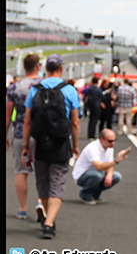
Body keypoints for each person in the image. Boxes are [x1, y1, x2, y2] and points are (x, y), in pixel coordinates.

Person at [22, 54, 81, 239]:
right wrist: (75, 145)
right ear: (61, 68)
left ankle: (49, 218)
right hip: (61, 142)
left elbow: (27, 122)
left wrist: (26, 146)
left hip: (40, 143)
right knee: (57, 182)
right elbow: (75, 122)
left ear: (45, 68)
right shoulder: (69, 90)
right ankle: (49, 223)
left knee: (43, 183)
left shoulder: (35, 89)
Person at [6, 54, 42, 220]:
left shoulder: (15, 87)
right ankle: (42, 202)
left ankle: (22, 208)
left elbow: (8, 114)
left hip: (21, 132)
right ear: (38, 66)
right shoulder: (45, 85)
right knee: (44, 171)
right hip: (43, 133)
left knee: (21, 171)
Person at [72, 128, 128, 205]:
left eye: (114, 140)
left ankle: (95, 194)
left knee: (116, 176)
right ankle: (85, 194)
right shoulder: (92, 148)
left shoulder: (109, 148)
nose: (113, 143)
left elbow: (109, 164)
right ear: (102, 139)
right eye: (110, 141)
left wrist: (109, 175)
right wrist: (116, 161)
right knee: (97, 175)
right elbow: (99, 167)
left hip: (98, 173)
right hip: (82, 175)